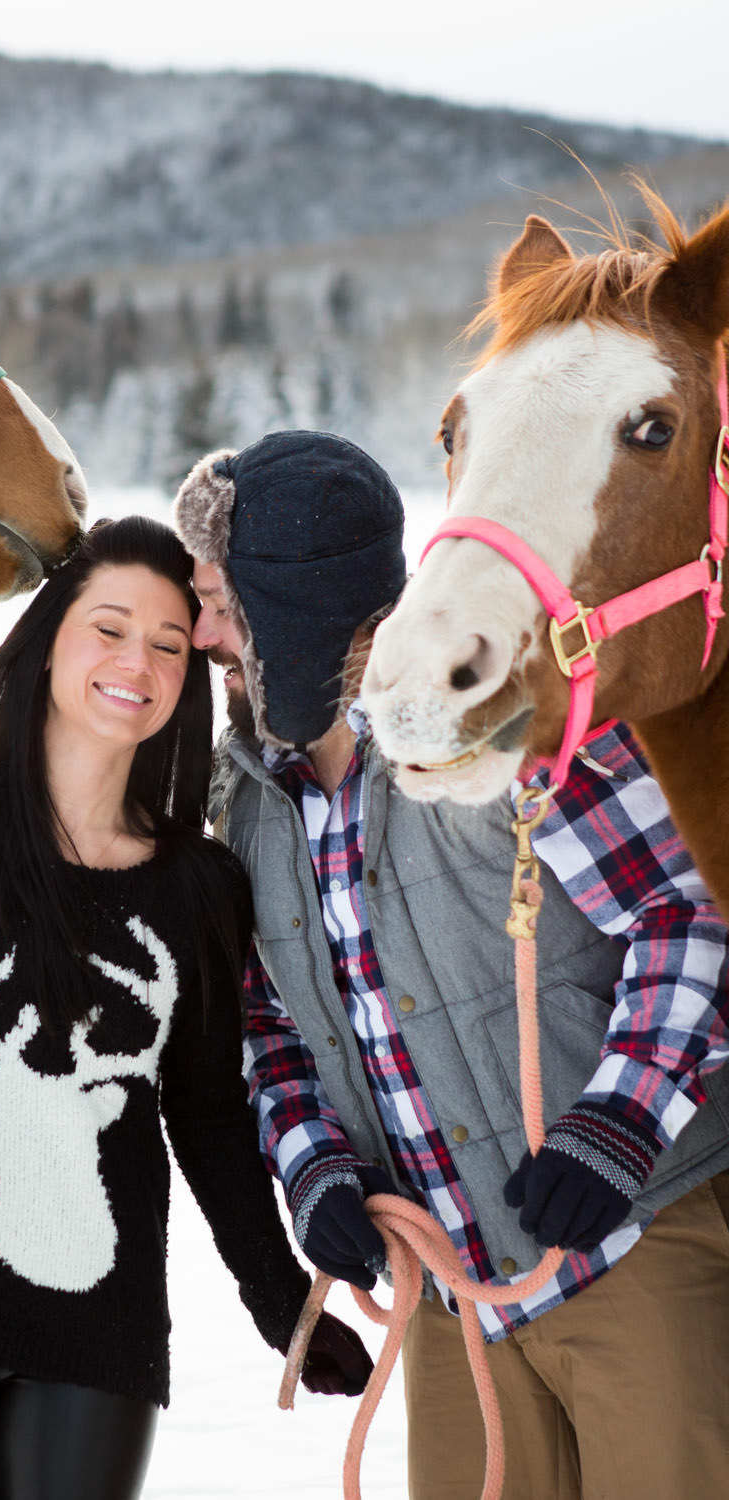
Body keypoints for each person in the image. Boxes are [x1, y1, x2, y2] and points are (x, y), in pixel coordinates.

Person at [173, 430, 729, 1500]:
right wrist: (315, 1168)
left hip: (634, 1246)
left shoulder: (510, 725)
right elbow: (272, 1033)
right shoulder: (245, 804)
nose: (201, 635)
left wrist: (617, 1123)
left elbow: (688, 912)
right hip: (450, 1303)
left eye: (221, 604)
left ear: (296, 606)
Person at [0, 514, 373, 1500]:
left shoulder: (198, 889)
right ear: (50, 635)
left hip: (98, 1318)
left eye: (168, 643)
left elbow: (205, 1114)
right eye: (109, 627)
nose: (135, 661)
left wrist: (282, 1301)